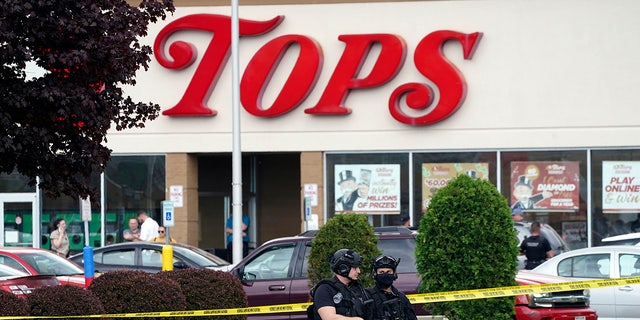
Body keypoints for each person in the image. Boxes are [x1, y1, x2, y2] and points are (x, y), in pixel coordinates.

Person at [309, 249, 371, 320]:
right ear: (343, 268)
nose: (359, 271)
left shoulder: (356, 288)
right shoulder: (325, 289)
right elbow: (329, 318)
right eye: (355, 267)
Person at [366, 255, 417, 320]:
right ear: (375, 274)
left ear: (394, 274)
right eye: (381, 272)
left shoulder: (401, 298)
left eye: (388, 272)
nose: (385, 275)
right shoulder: (368, 296)